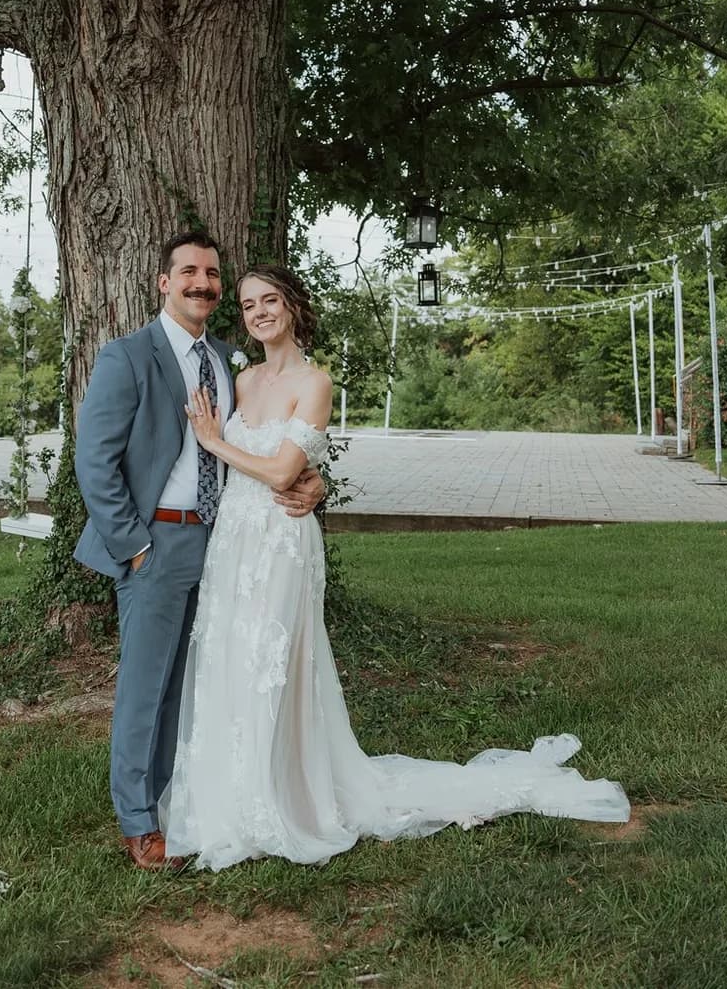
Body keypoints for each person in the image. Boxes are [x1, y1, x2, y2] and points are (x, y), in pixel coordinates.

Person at [163, 265, 630, 871]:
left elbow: (282, 472)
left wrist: (216, 442)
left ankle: (284, 797)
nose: (258, 313)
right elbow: (259, 467)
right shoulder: (238, 378)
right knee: (230, 655)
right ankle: (234, 796)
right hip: (235, 540)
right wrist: (290, 470)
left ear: (292, 306)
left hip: (281, 540)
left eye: (270, 300)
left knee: (273, 662)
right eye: (249, 304)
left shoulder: (316, 380)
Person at [72, 231, 326, 871]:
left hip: (225, 547)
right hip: (154, 542)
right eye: (188, 272)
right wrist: (132, 547)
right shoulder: (127, 356)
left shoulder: (227, 360)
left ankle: (174, 801)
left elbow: (271, 450)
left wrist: (310, 482)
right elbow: (93, 462)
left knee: (191, 687)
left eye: (212, 275)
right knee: (144, 686)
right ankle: (138, 821)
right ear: (164, 282)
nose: (202, 284)